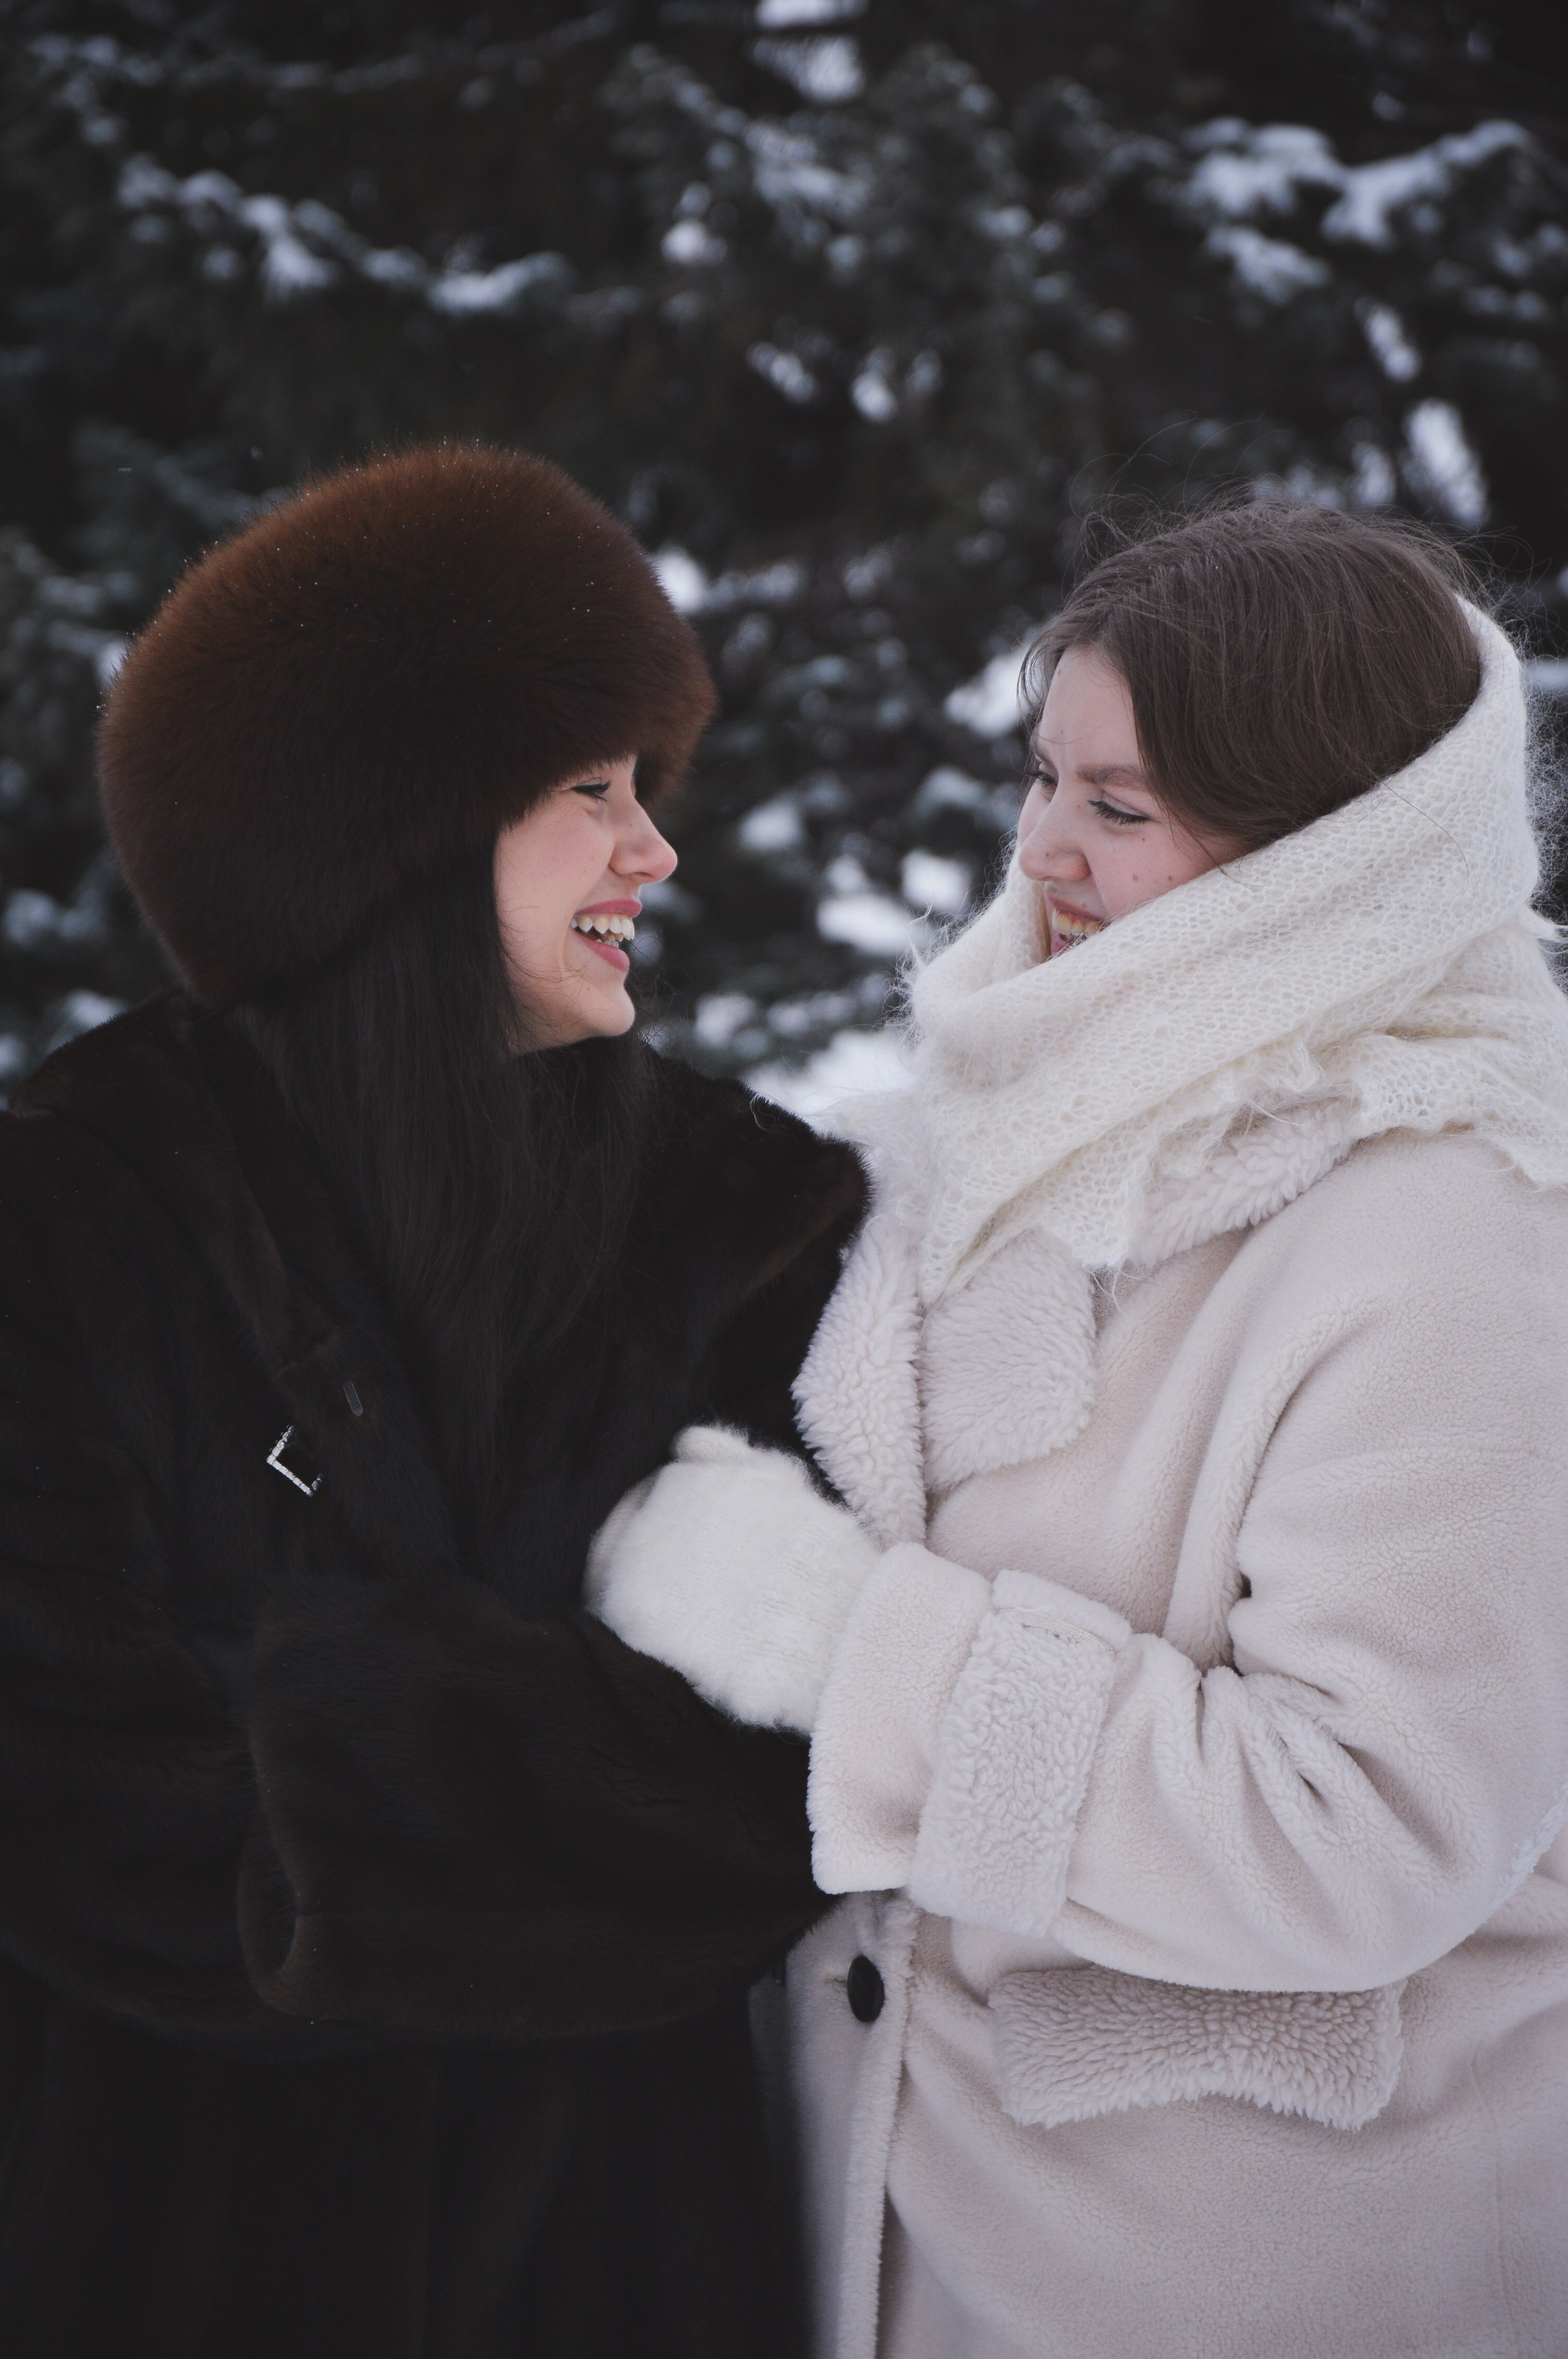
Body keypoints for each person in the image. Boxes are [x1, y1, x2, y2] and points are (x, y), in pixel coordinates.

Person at [588, 503, 1568, 2358]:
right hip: (909, 2240)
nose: (1042, 849)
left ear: (1332, 856)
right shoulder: (981, 1143)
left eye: (1122, 808)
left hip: (1244, 2281)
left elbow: (1361, 1823)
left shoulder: (1464, 1223)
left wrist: (835, 1645)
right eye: (1045, 777)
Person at [0, 442, 865, 2359]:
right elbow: (79, 1810)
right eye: (589, 790)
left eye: (648, 788)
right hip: (171, 2264)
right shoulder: (67, 1204)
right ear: (382, 830)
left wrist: (293, 1714)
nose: (656, 850)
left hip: (632, 2267)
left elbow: (790, 1773)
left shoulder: (749, 1218)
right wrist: (553, 1737)